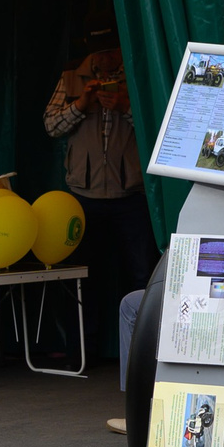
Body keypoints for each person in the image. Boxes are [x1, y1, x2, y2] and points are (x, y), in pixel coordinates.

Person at [44, 34, 155, 387]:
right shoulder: (71, 78)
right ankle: (81, 353)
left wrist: (124, 106)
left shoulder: (137, 75)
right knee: (80, 279)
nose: (106, 61)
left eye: (112, 52)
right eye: (100, 53)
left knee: (143, 278)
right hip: (84, 195)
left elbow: (157, 131)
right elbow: (50, 125)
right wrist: (82, 103)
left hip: (130, 194)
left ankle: (146, 360)